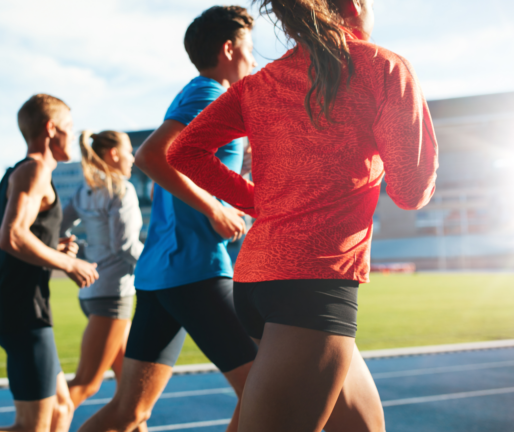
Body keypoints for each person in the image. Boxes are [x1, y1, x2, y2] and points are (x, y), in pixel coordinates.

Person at [167, 0, 439, 430]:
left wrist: (259, 202)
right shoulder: (383, 67)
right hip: (311, 288)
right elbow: (411, 192)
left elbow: (184, 151)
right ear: (354, 5)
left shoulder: (259, 83)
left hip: (257, 281)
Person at [79, 7, 259, 432]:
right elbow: (151, 156)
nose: (253, 61)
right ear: (228, 49)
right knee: (263, 389)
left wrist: (234, 184)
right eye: (249, 50)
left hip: (161, 273)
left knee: (130, 413)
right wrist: (215, 209)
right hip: (194, 268)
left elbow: (192, 169)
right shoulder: (208, 94)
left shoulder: (193, 94)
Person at [0, 94, 99, 432]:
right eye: (69, 127)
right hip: (22, 312)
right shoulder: (35, 170)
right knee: (32, 428)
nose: (73, 135)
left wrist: (48, 247)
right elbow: (11, 237)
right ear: (51, 128)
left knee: (61, 409)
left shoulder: (14, 175)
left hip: (21, 309)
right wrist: (69, 264)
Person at [60, 130, 144, 411]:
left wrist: (82, 252)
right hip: (113, 296)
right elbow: (125, 246)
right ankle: (37, 424)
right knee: (86, 384)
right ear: (114, 154)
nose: (133, 158)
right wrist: (157, 265)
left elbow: (58, 228)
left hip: (91, 293)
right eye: (129, 151)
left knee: (130, 389)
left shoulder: (84, 191)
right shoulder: (122, 190)